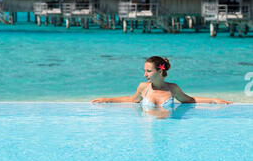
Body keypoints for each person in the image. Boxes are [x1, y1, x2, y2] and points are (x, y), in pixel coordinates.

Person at [91, 56, 232, 108]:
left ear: (159, 71)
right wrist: (107, 99)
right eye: (145, 70)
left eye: (148, 71)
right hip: (146, 135)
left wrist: (214, 100)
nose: (144, 74)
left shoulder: (172, 88)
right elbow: (131, 99)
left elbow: (190, 100)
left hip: (168, 130)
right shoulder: (143, 87)